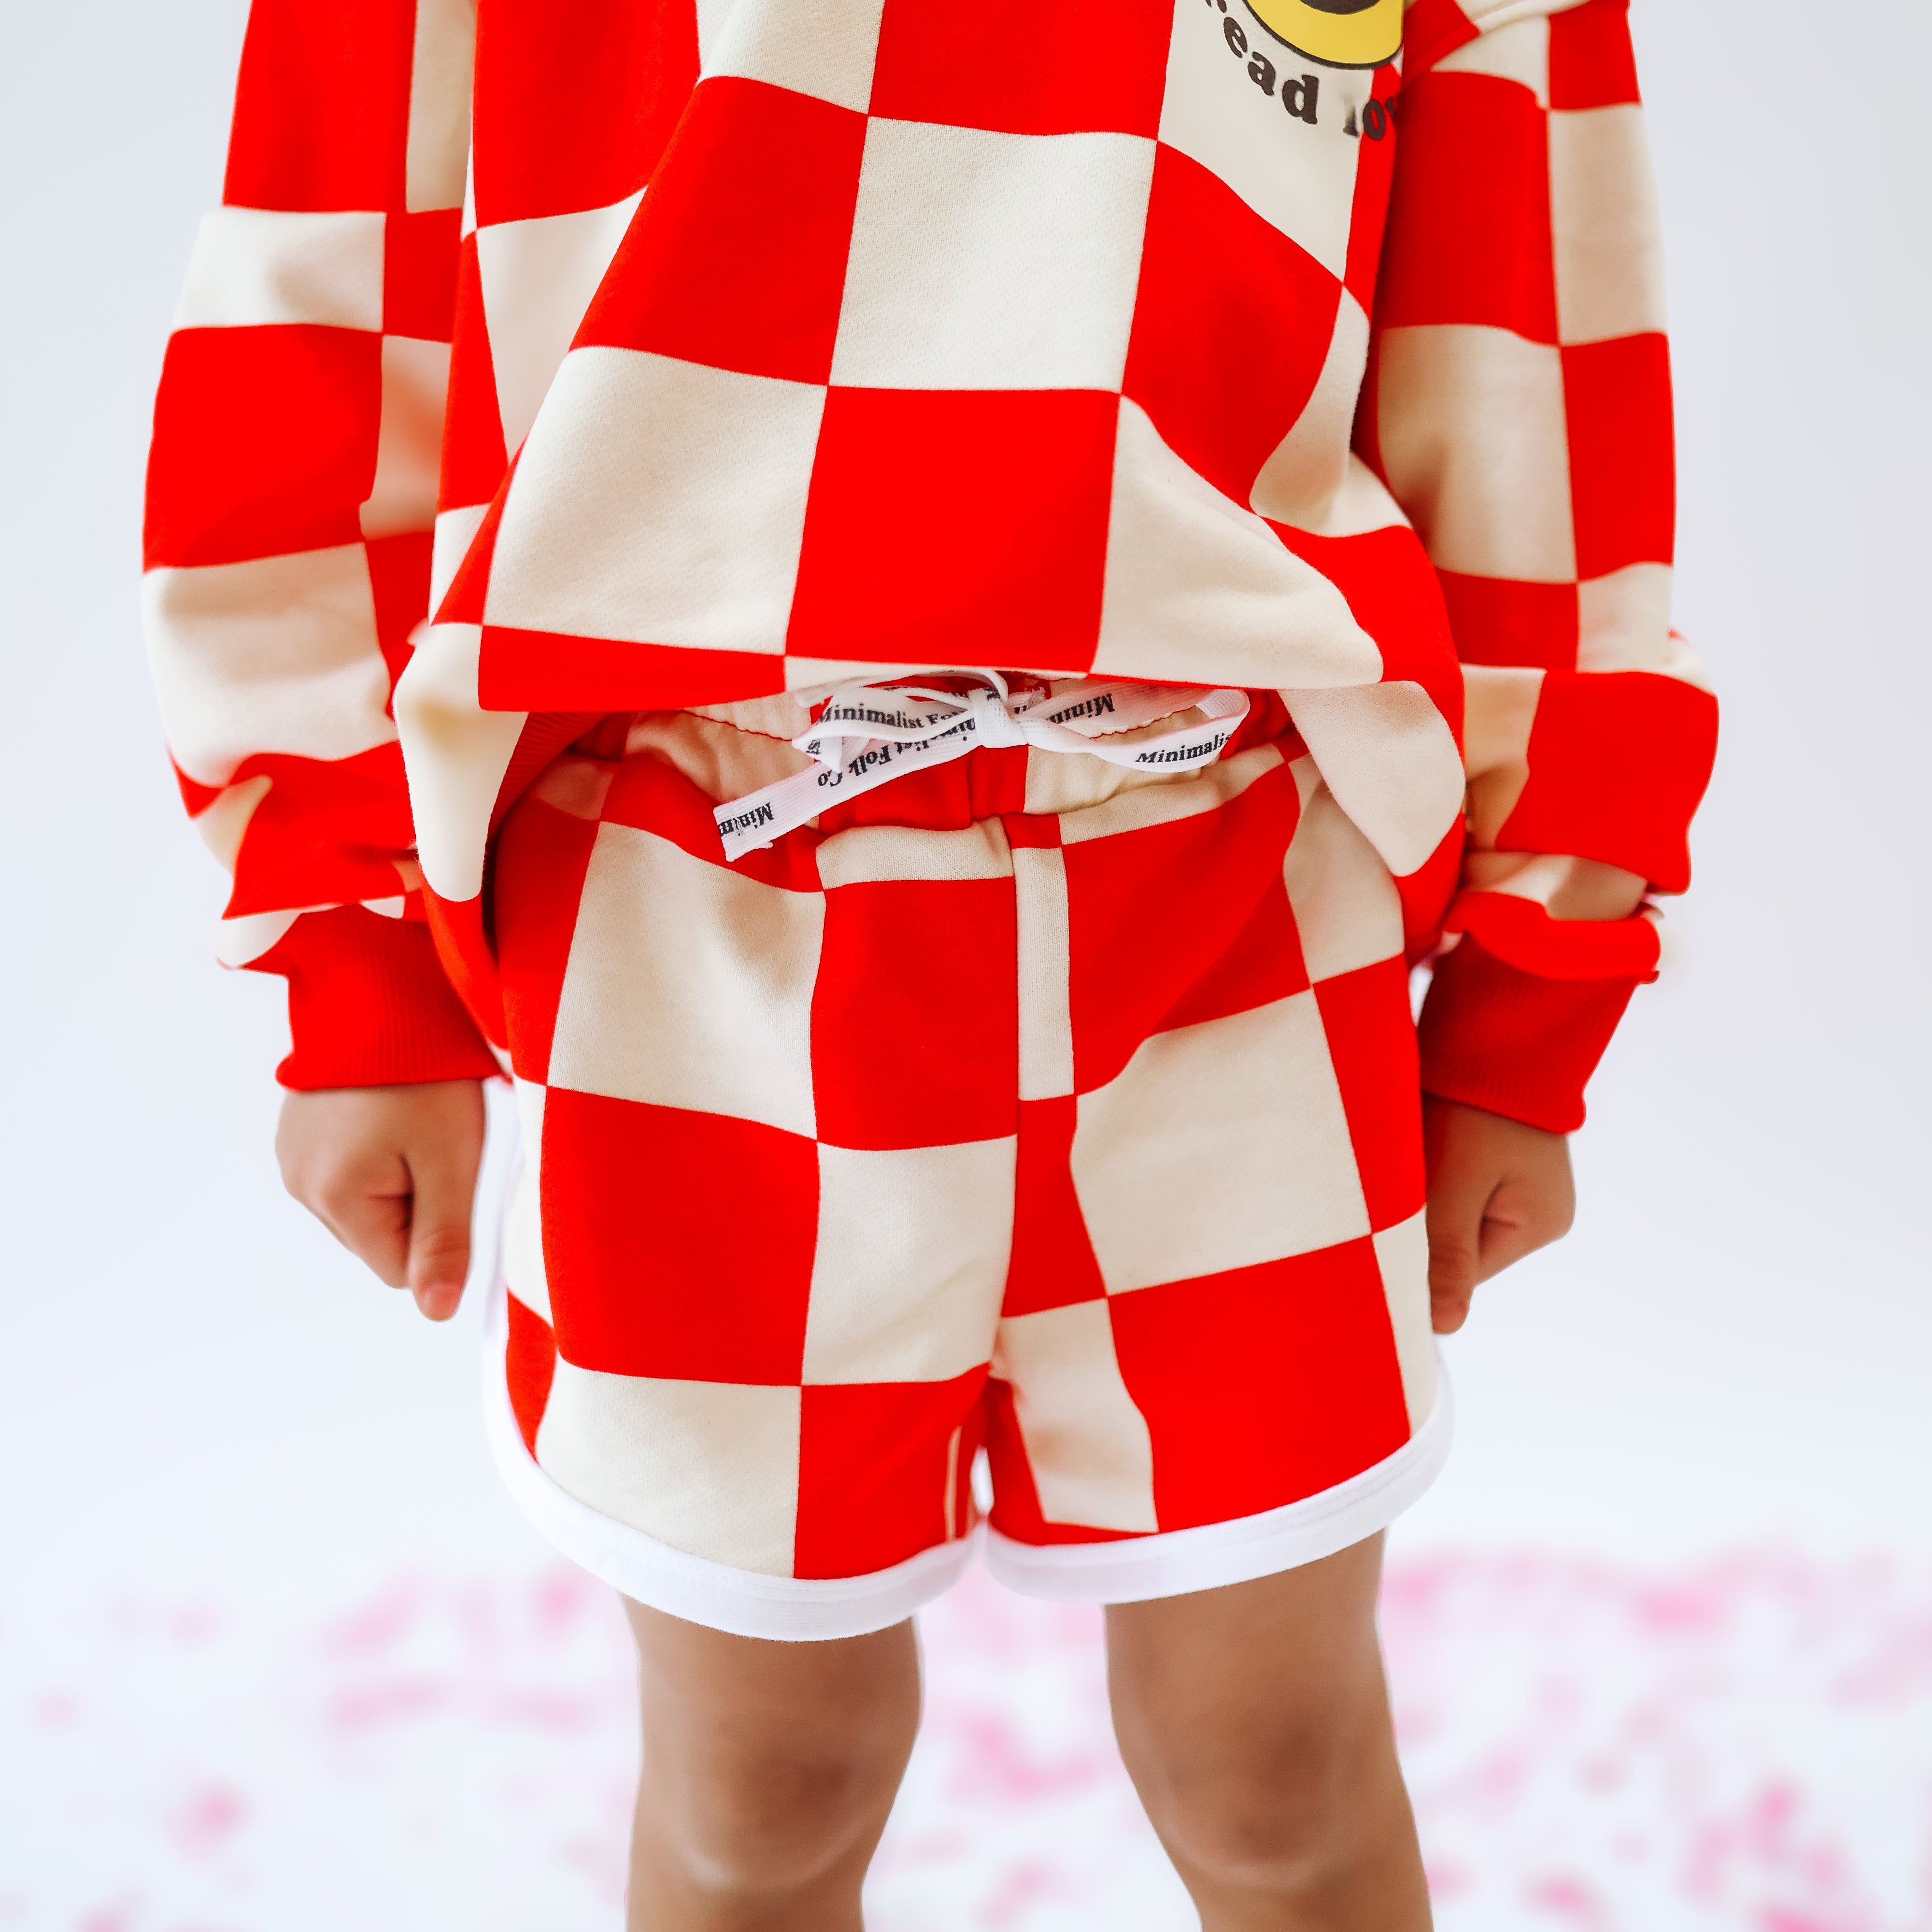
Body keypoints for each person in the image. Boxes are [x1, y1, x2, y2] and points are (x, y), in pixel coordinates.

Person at [142, 0, 1717, 1923]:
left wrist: (1530, 992)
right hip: (694, 919)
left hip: (1233, 905)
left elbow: (1533, 353)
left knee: (1275, 1766)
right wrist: (353, 955)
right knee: (761, 1787)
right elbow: (322, 315)